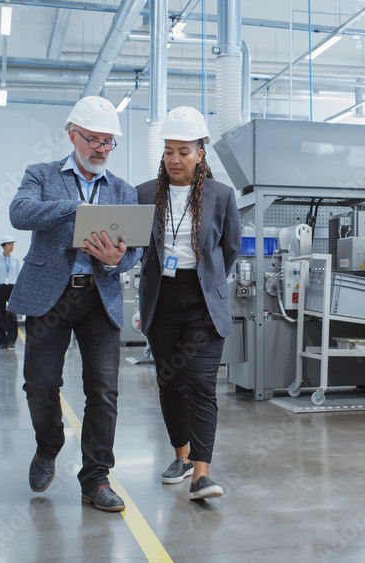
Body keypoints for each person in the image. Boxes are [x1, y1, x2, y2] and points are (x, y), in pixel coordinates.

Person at [8, 95, 143, 512]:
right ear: (72, 135)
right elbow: (20, 212)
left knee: (103, 392)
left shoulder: (122, 189)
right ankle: (49, 445)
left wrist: (120, 259)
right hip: (50, 296)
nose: (101, 148)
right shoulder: (42, 174)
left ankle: (96, 477)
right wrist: (76, 208)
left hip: (99, 297)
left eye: (108, 142)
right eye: (94, 139)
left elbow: (136, 250)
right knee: (41, 385)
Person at [137, 106, 241, 501]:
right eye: (168, 151)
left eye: (183, 151)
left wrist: (208, 280)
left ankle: (202, 473)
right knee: (170, 384)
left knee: (199, 382)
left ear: (201, 152)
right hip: (161, 299)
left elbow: (229, 250)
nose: (174, 160)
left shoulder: (222, 196)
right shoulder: (145, 193)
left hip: (201, 302)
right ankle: (180, 456)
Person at [0, 235, 22, 349]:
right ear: (4, 246)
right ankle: (2, 341)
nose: (11, 246)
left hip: (12, 287)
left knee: (12, 314)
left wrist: (19, 290)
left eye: (13, 244)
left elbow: (19, 276)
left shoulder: (16, 260)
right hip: (0, 287)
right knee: (0, 313)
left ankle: (11, 340)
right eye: (9, 244)